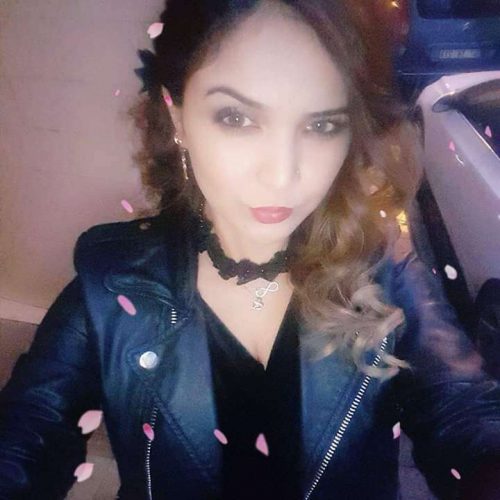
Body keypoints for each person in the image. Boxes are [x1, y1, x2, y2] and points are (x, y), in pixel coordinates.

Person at [1, 0, 499, 498]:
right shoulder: (113, 283)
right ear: (177, 118)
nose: (282, 176)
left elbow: (466, 417)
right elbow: (28, 436)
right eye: (236, 117)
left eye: (322, 124)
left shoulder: (382, 267)